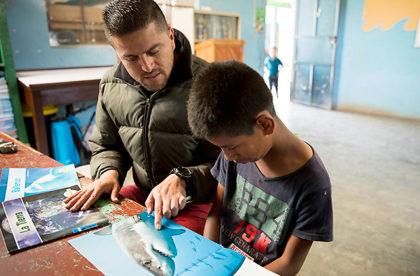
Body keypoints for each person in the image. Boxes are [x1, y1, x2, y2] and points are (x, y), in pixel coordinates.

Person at [64, 0, 219, 234]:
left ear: (170, 34)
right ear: (117, 53)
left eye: (153, 51)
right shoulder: (110, 84)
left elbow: (229, 164)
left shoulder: (210, 84)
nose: (147, 66)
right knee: (86, 228)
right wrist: (108, 172)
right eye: (131, 58)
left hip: (196, 199)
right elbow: (106, 145)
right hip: (144, 194)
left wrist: (184, 178)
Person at [187, 60, 333, 275]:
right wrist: (212, 264)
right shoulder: (234, 157)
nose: (226, 157)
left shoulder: (313, 185)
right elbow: (215, 214)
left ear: (265, 125)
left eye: (232, 147)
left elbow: (289, 263)